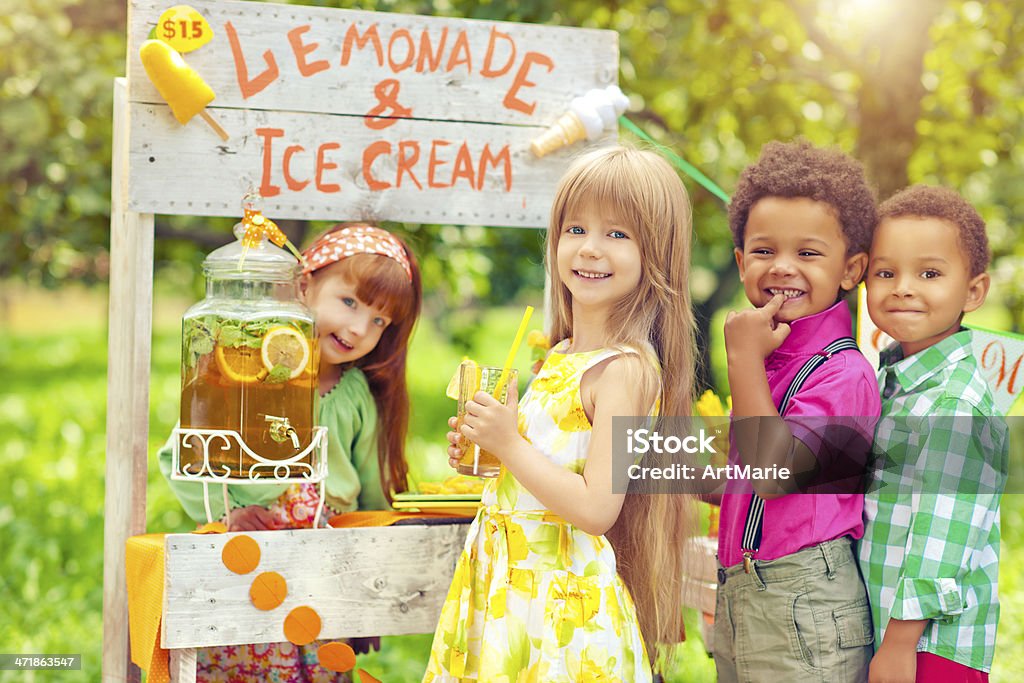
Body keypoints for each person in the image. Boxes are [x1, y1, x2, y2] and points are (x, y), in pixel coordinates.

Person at [422, 145, 697, 681]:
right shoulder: (561, 353)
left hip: (561, 612)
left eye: (617, 235)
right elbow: (541, 469)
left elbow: (597, 509)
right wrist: (487, 454)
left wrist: (510, 445)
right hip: (507, 588)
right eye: (575, 229)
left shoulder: (626, 371)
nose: (590, 249)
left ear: (655, 254)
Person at [157, 224, 422, 682]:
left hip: (322, 568)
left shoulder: (355, 394)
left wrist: (370, 593)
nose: (360, 328)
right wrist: (232, 513)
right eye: (350, 302)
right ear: (304, 284)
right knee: (240, 660)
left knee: (318, 666)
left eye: (380, 321)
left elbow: (373, 495)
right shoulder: (247, 373)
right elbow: (179, 456)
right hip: (249, 556)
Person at [715, 140, 881, 682]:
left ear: (851, 268)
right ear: (741, 262)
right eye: (763, 251)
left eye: (808, 254)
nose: (782, 267)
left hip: (803, 602)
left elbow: (776, 475)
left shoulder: (844, 373)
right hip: (743, 590)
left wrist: (740, 356)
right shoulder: (769, 357)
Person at [859, 185, 1008, 683]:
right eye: (885, 272)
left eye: (929, 273)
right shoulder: (890, 381)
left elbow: (944, 533)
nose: (902, 287)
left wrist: (900, 644)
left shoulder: (955, 401)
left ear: (973, 291)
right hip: (889, 628)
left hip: (930, 647)